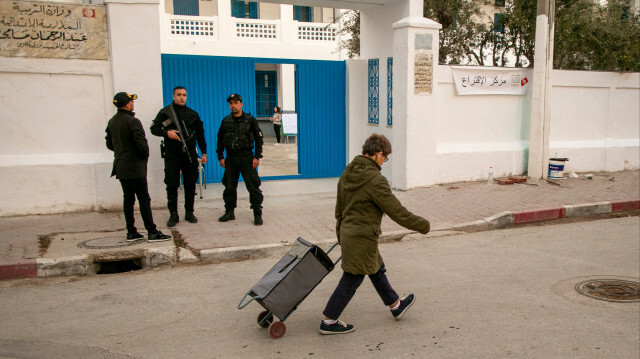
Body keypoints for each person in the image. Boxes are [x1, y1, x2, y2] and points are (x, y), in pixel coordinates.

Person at [319, 134, 430, 335]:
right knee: (353, 277)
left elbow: (339, 208)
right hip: (362, 236)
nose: (384, 162)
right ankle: (329, 321)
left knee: (376, 268)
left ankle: (396, 305)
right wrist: (422, 225)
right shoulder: (375, 180)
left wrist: (340, 234)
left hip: (350, 233)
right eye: (385, 158)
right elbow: (397, 211)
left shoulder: (347, 172)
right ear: (378, 154)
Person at [105, 92, 172, 242]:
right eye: (131, 101)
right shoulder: (133, 121)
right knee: (143, 199)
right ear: (128, 104)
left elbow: (109, 143)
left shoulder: (112, 122)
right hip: (135, 167)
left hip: (121, 166)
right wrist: (143, 157)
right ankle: (152, 231)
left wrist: (121, 152)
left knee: (128, 200)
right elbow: (142, 144)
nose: (132, 103)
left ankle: (131, 231)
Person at [150, 86, 207, 227]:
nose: (182, 97)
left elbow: (200, 135)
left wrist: (204, 152)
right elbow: (154, 128)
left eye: (184, 95)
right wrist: (166, 133)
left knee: (190, 184)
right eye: (179, 95)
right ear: (174, 96)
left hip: (189, 155)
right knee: (171, 185)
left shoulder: (193, 114)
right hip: (172, 155)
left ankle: (189, 212)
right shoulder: (165, 113)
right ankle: (173, 214)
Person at [216, 93, 265, 226]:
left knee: (253, 186)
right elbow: (220, 139)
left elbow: (259, 139)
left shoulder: (250, 120)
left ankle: (257, 213)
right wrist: (220, 156)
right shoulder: (226, 121)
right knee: (229, 186)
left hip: (246, 157)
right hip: (231, 158)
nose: (233, 105)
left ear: (241, 104)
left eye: (236, 103)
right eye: (231, 103)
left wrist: (257, 156)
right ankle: (229, 212)